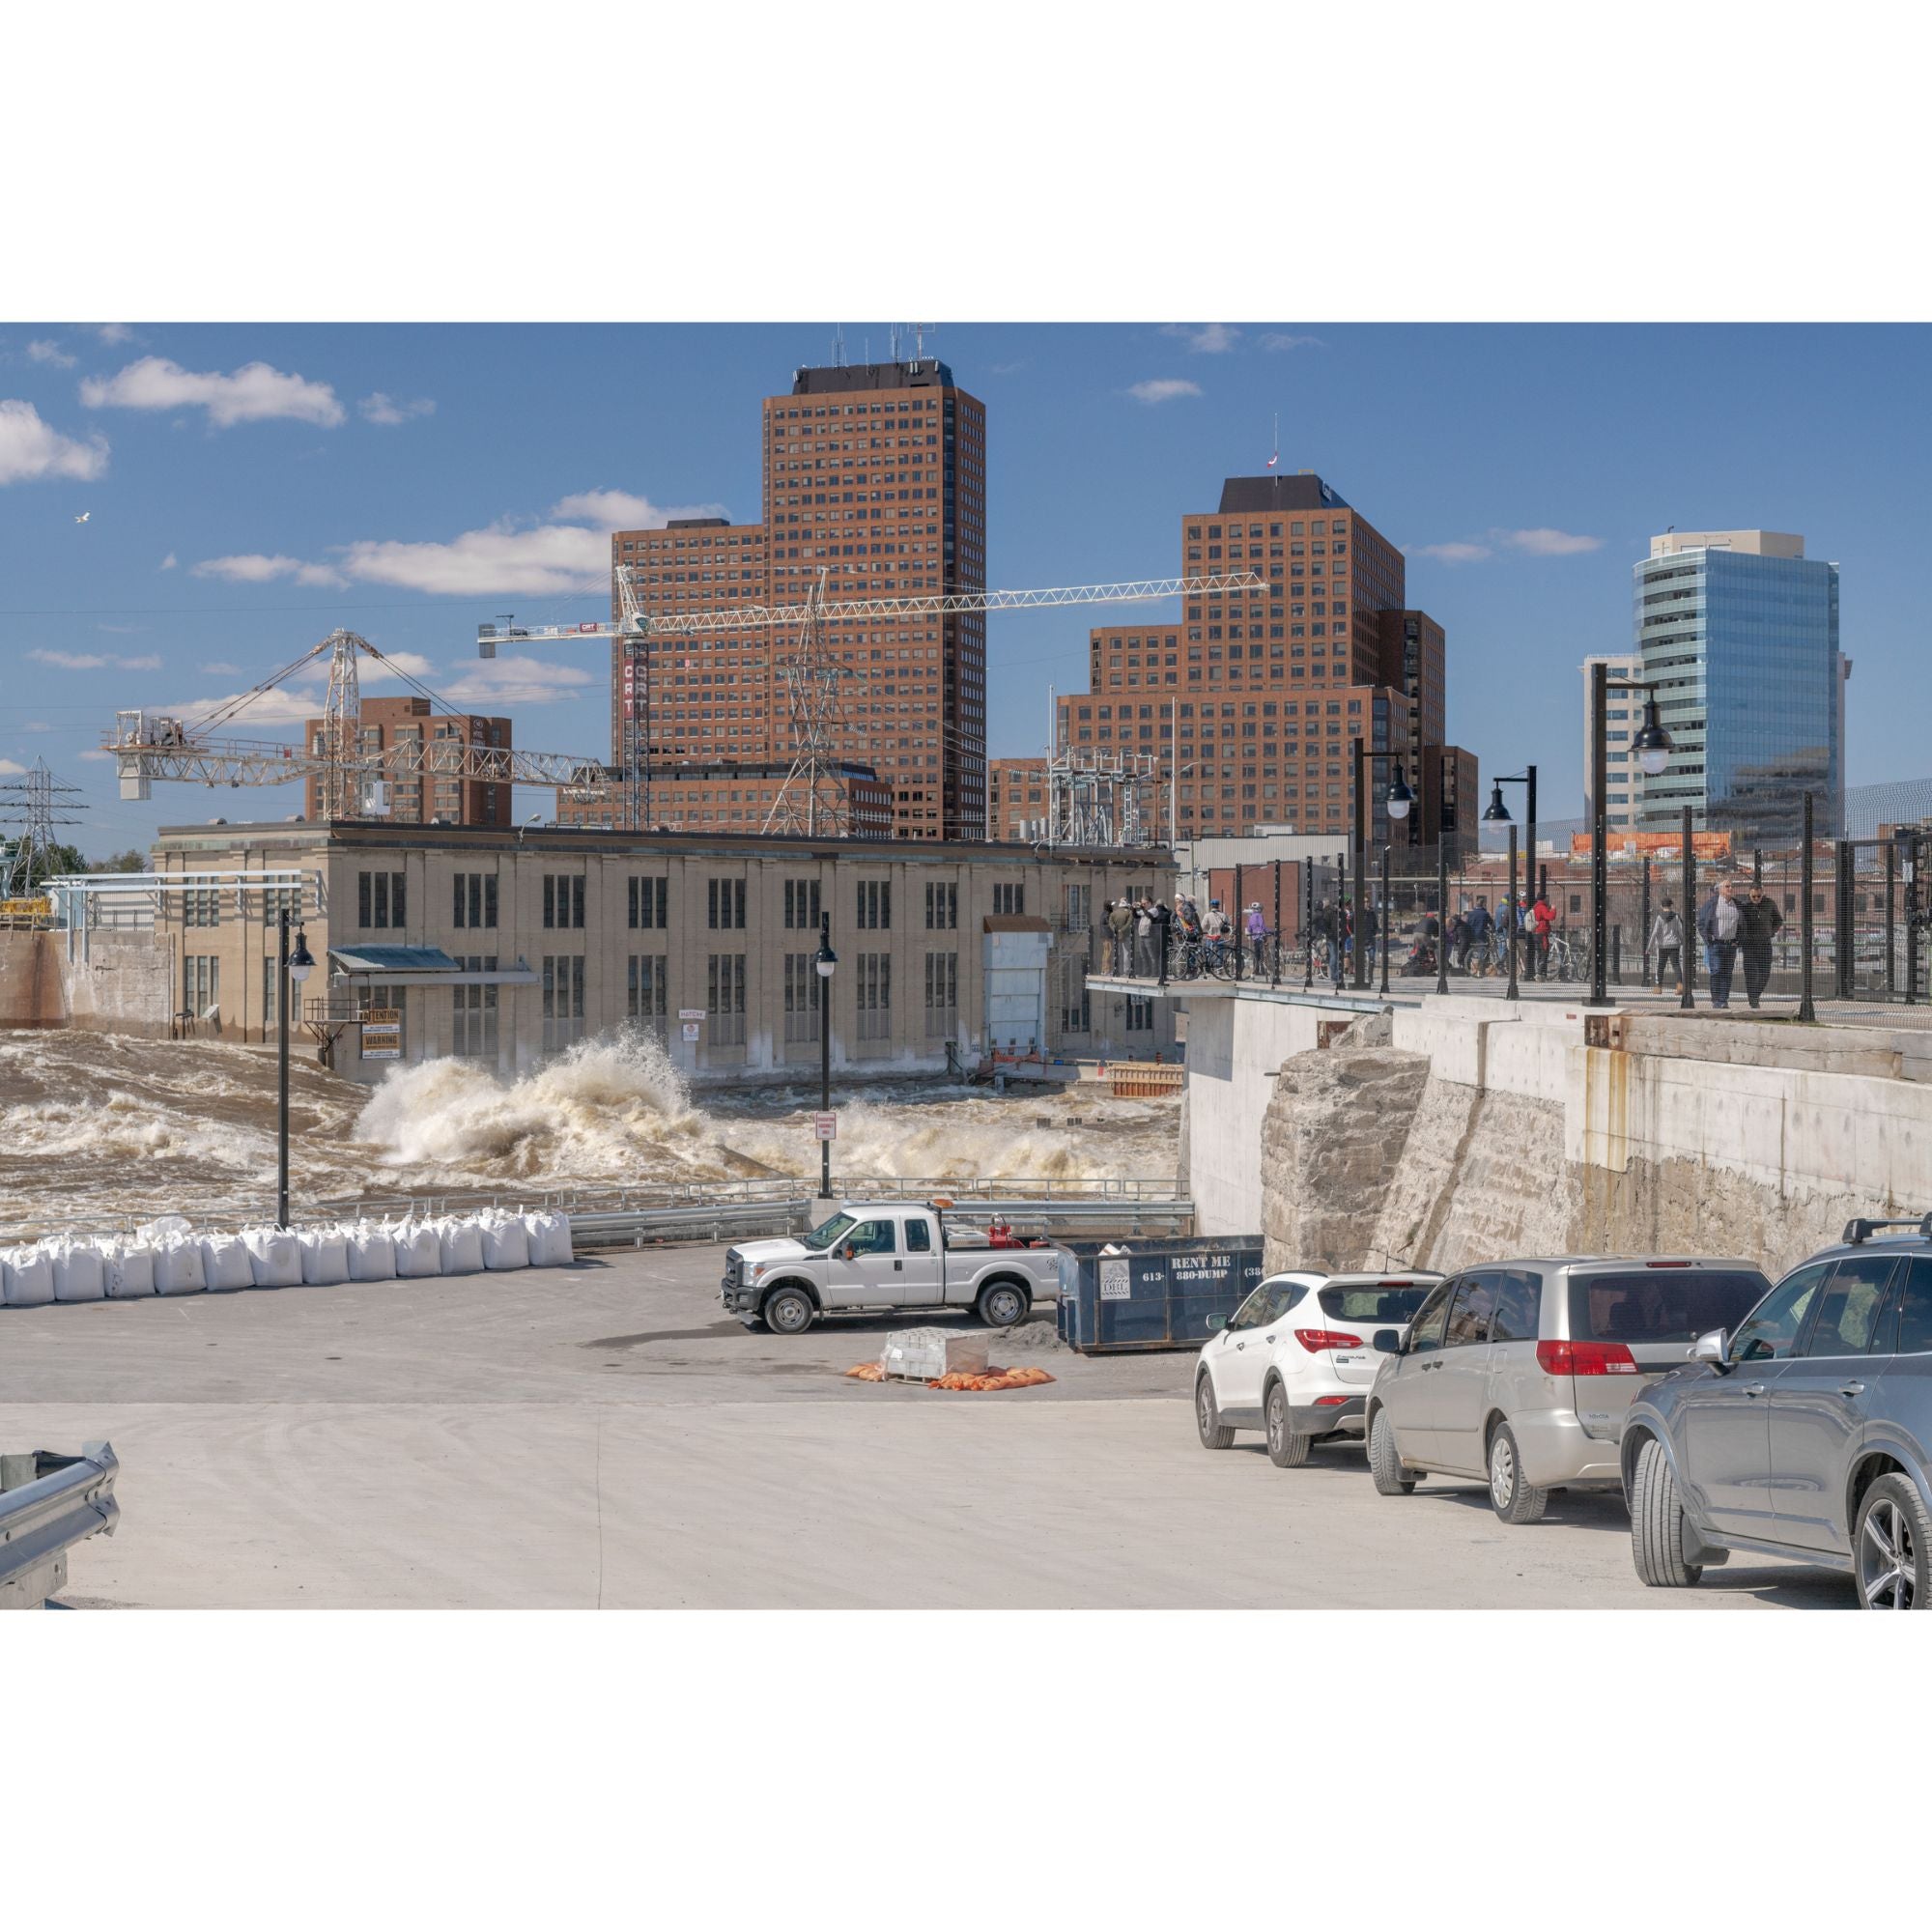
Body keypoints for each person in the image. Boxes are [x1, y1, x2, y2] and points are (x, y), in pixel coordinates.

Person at [1698, 877, 1743, 1009]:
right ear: (1720, 889)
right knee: (1716, 971)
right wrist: (1708, 939)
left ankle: (1724, 1000)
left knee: (1727, 973)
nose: (1730, 889)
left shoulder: (1737, 905)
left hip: (1731, 945)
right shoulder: (1712, 904)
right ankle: (1716, 999)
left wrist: (1738, 940)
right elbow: (1701, 923)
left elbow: (1743, 924)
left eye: (1731, 886)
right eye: (1727, 886)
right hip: (1716, 944)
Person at [1738, 880, 1784, 1009]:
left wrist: (1771, 932)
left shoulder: (1769, 904)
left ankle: (1755, 995)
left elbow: (1778, 920)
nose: (1756, 899)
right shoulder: (1744, 906)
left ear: (1762, 894)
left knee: (1765, 973)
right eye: (1754, 896)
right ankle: (1753, 1000)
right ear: (1749, 894)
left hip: (1765, 943)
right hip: (1749, 944)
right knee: (1751, 973)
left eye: (1759, 896)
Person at [1649, 895, 1685, 995]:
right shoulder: (1676, 916)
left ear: (1661, 906)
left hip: (1662, 946)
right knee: (1676, 965)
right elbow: (1680, 931)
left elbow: (1655, 932)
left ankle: (1658, 988)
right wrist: (1682, 942)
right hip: (1674, 945)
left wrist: (1649, 947)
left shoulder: (1659, 917)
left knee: (1660, 966)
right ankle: (1680, 986)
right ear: (1671, 906)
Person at [1463, 895, 1492, 977]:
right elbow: (1491, 923)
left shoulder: (1470, 913)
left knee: (1470, 952)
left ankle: (1469, 969)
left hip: (1472, 935)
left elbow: (1467, 924)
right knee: (1482, 953)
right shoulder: (1485, 914)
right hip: (1481, 935)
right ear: (1483, 904)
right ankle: (1481, 971)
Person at [1530, 891, 1556, 980]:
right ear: (1544, 898)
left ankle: (1540, 973)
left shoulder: (1535, 906)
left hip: (1536, 932)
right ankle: (1539, 973)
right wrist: (1553, 909)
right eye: (1547, 898)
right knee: (1544, 953)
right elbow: (1550, 917)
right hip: (1542, 933)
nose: (1548, 900)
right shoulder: (1542, 907)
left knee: (1540, 953)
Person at [1106, 895, 1135, 976]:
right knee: (1126, 953)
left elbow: (1110, 923)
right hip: (1127, 935)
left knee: (1117, 953)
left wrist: (1116, 930)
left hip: (1117, 936)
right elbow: (1129, 923)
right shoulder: (1129, 912)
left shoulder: (1113, 913)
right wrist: (1122, 930)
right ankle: (1126, 971)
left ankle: (1117, 969)